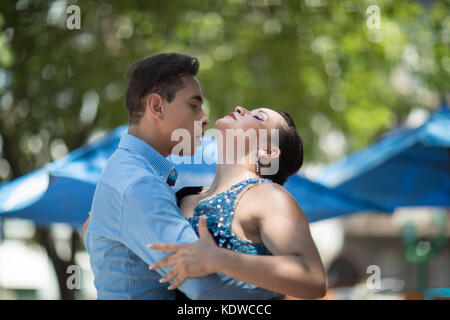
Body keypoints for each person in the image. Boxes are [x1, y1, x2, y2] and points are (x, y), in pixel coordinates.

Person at [84, 53, 280, 300]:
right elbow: (202, 286)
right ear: (157, 107)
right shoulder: (140, 184)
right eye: (194, 106)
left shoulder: (127, 170)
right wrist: (278, 291)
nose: (205, 118)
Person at [148, 106, 327, 299]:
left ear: (267, 151)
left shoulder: (268, 196)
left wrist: (217, 259)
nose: (240, 108)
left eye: (258, 117)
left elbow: (313, 279)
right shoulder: (183, 196)